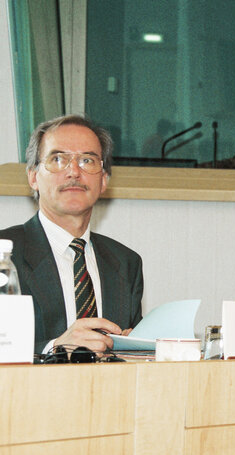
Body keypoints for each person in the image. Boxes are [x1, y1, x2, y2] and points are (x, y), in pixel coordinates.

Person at [0, 115, 144, 355]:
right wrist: (54, 348)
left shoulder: (126, 262)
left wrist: (135, 348)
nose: (74, 172)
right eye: (58, 159)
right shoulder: (5, 254)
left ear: (104, 180)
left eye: (87, 160)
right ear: (33, 177)